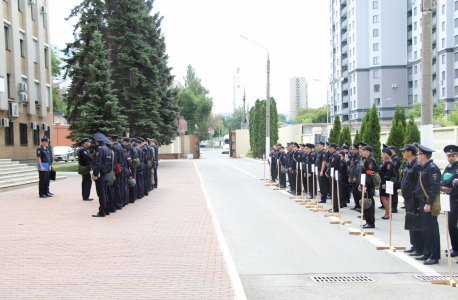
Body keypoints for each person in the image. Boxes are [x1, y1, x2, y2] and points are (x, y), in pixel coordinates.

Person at [414, 144, 441, 265]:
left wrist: (429, 203)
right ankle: (427, 252)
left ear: (423, 155)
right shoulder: (424, 167)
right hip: (423, 202)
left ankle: (434, 255)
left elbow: (435, 187)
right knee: (425, 228)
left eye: (419, 154)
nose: (417, 156)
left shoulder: (432, 167)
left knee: (431, 229)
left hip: (428, 202)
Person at [400, 144, 424, 256]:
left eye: (404, 151)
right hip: (409, 197)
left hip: (414, 198)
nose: (402, 153)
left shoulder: (417, 165)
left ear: (410, 152)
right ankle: (414, 245)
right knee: (410, 221)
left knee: (415, 222)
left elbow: (417, 185)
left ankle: (419, 247)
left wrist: (418, 201)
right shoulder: (409, 164)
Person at [441, 145, 458, 258]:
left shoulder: (456, 168)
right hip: (449, 199)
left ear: (456, 156)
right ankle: (454, 247)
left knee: (452, 224)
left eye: (453, 156)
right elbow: (442, 182)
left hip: (456, 199)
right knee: (450, 224)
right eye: (449, 156)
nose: (450, 158)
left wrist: (444, 185)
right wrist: (442, 187)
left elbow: (450, 181)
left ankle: (456, 248)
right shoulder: (448, 167)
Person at [92, 133, 111, 217]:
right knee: (105, 193)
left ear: (97, 142)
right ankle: (106, 210)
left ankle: (102, 211)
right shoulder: (107, 148)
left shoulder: (99, 149)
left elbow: (97, 163)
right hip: (106, 173)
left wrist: (95, 174)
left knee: (101, 193)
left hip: (101, 174)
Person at [359, 144, 376, 228]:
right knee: (365, 203)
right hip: (364, 183)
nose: (363, 152)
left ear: (368, 152)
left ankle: (371, 222)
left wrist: (365, 185)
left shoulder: (370, 161)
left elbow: (369, 174)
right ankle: (367, 220)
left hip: (368, 184)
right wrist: (361, 184)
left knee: (368, 203)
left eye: (365, 151)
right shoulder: (366, 159)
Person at [379, 148, 396, 219]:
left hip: (386, 182)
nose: (381, 155)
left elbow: (388, 174)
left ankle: (388, 213)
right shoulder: (386, 162)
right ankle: (387, 213)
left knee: (383, 197)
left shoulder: (389, 163)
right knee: (386, 198)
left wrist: (384, 183)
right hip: (385, 182)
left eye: (383, 154)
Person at [326, 143, 341, 212]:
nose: (328, 149)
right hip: (332, 174)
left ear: (333, 148)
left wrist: (327, 172)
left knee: (335, 191)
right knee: (333, 191)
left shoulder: (336, 155)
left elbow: (332, 165)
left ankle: (335, 207)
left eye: (329, 147)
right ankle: (333, 206)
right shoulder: (333, 155)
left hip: (335, 174)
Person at [110, 135, 124, 209]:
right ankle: (121, 202)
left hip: (117, 168)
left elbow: (114, 160)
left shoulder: (113, 147)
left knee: (116, 186)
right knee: (120, 186)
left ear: (111, 139)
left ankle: (118, 204)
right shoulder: (120, 146)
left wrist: (113, 169)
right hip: (121, 167)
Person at [348, 143, 361, 211]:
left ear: (357, 150)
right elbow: (351, 167)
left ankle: (359, 205)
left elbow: (357, 168)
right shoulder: (353, 156)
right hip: (352, 176)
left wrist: (356, 177)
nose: (352, 150)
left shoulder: (359, 157)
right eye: (352, 149)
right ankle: (356, 204)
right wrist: (350, 176)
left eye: (353, 149)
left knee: (357, 192)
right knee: (354, 191)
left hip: (356, 177)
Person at [389, 146, 401, 213]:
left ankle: (394, 206)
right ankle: (391, 206)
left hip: (394, 177)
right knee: (391, 192)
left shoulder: (396, 158)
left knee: (394, 193)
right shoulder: (391, 157)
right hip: (391, 177)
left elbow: (394, 168)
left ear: (393, 150)